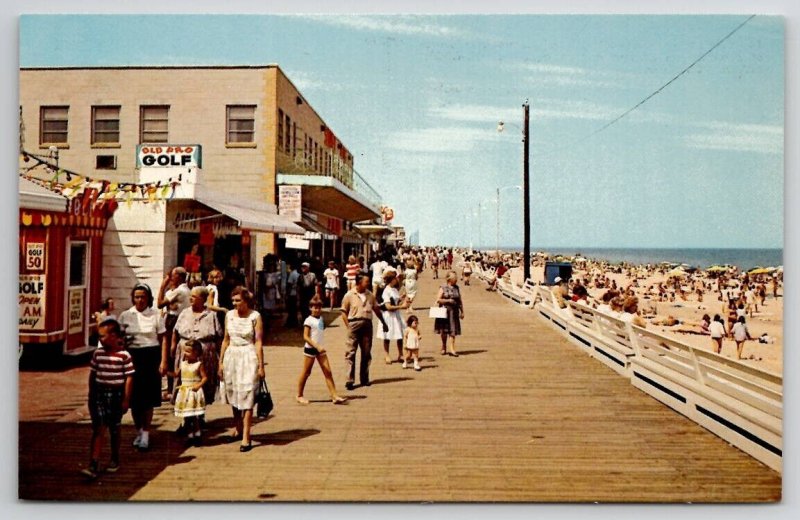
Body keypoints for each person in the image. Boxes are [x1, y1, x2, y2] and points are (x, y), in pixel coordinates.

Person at [118, 284, 168, 452]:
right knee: (133, 398)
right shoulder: (125, 315)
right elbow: (119, 339)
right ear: (133, 298)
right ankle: (138, 430)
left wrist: (163, 361)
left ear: (148, 298)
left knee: (148, 398)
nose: (140, 300)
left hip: (151, 356)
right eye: (137, 297)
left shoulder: (155, 315)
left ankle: (146, 433)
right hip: (132, 356)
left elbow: (163, 339)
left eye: (143, 297)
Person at [82, 319, 135, 479]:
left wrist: (126, 399)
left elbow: (129, 378)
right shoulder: (98, 353)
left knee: (114, 428)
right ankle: (94, 462)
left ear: (113, 336)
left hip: (116, 394)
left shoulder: (124, 356)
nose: (100, 339)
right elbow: (93, 373)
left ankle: (114, 458)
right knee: (99, 427)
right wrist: (92, 393)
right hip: (99, 393)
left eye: (103, 336)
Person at [218, 287, 264, 452]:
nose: (235, 304)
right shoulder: (229, 315)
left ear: (246, 301)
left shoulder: (255, 316)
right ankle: (237, 427)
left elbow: (258, 341)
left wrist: (260, 365)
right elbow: (225, 339)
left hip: (248, 355)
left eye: (238, 301)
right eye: (233, 301)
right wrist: (221, 362)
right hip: (232, 355)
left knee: (247, 394)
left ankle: (246, 436)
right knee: (233, 392)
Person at [172, 285, 222, 426]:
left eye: (194, 297)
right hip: (185, 352)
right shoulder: (184, 313)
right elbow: (175, 332)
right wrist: (172, 346)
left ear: (202, 299)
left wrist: (220, 358)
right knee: (184, 386)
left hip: (205, 354)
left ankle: (199, 417)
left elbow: (218, 336)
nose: (190, 299)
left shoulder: (211, 315)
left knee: (202, 386)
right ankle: (186, 420)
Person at [340, 273, 389, 390]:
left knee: (366, 353)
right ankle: (349, 380)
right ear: (359, 282)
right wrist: (348, 326)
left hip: (367, 324)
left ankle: (364, 378)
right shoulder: (349, 295)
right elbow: (343, 311)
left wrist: (383, 322)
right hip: (354, 323)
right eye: (366, 281)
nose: (368, 283)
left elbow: (376, 309)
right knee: (350, 352)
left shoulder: (370, 295)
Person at [296, 296, 347, 405]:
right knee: (306, 372)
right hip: (310, 349)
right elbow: (305, 337)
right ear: (310, 308)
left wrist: (321, 346)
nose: (317, 310)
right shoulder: (308, 320)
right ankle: (299, 395)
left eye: (319, 308)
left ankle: (334, 395)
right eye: (314, 308)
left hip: (321, 349)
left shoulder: (321, 318)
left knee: (328, 371)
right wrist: (316, 346)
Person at [158, 266, 191, 400]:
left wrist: (162, 285)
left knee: (170, 355)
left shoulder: (180, 291)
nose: (171, 278)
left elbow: (159, 303)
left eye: (173, 276)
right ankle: (172, 386)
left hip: (173, 321)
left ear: (180, 277)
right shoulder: (185, 290)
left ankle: (172, 389)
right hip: (180, 320)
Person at [170, 340, 208, 445]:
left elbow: (205, 378)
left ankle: (197, 434)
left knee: (194, 415)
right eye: (184, 351)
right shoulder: (183, 364)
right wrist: (167, 372)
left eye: (188, 352)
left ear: (196, 353)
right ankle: (190, 435)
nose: (185, 354)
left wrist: (198, 385)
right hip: (184, 392)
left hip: (193, 392)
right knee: (187, 416)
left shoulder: (199, 365)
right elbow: (176, 374)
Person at [378, 269, 409, 364]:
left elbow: (395, 301)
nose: (397, 279)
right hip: (389, 315)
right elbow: (388, 306)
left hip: (396, 315)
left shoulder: (394, 289)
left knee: (399, 335)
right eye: (395, 278)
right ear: (391, 279)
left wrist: (401, 298)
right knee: (387, 336)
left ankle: (400, 354)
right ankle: (387, 354)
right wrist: (402, 306)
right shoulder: (386, 291)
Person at [434, 270, 464, 357]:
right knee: (444, 331)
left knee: (453, 331)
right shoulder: (443, 287)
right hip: (444, 311)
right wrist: (448, 300)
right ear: (449, 279)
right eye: (455, 278)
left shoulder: (457, 288)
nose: (456, 279)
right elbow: (438, 299)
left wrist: (462, 311)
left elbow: (460, 301)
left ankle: (452, 349)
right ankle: (444, 346)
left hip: (454, 311)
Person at [284, 263, 300, 328]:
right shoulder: (298, 274)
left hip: (292, 293)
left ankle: (291, 323)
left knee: (291, 309)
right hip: (296, 293)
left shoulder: (292, 274)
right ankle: (294, 322)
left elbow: (289, 284)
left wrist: (287, 294)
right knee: (294, 309)